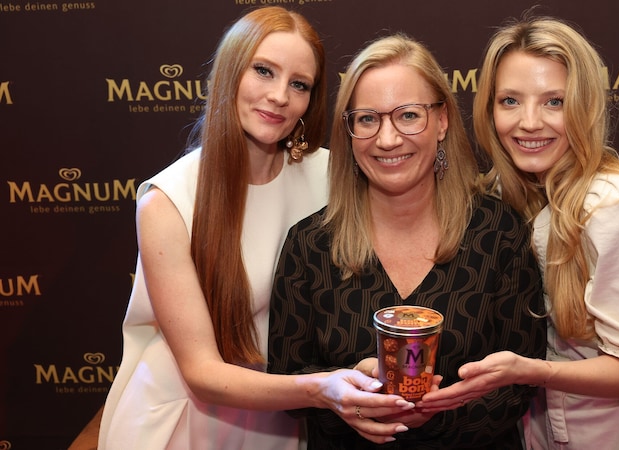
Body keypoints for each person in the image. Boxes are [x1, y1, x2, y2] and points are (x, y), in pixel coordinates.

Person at [98, 7, 414, 450]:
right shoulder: (168, 200)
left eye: (298, 84)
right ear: (230, 72)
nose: (280, 96)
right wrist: (322, 389)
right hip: (187, 423)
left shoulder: (329, 175)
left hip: (285, 418)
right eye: (264, 71)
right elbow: (203, 374)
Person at [420, 14, 619, 450]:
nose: (529, 122)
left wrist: (527, 371)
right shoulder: (495, 194)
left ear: (584, 106)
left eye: (554, 102)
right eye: (510, 100)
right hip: (539, 426)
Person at [266, 33, 546, 449]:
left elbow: (521, 383)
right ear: (348, 132)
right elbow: (287, 384)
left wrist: (427, 417)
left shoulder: (498, 232)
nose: (388, 139)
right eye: (367, 119)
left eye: (408, 115)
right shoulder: (309, 245)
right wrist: (342, 393)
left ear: (442, 121)